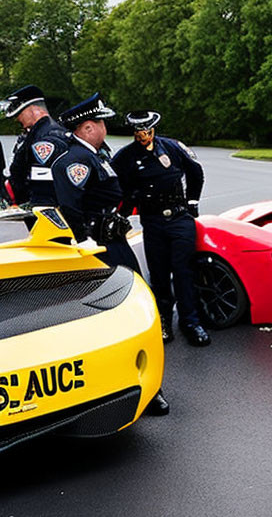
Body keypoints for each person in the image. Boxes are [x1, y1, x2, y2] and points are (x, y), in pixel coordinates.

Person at [52, 93, 169, 415]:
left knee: (133, 306)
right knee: (117, 314)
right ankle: (125, 388)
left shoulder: (97, 154)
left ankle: (146, 386)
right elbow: (69, 206)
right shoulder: (75, 160)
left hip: (114, 241)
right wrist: (84, 239)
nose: (105, 126)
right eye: (101, 122)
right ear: (88, 127)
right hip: (98, 246)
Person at [112, 111, 210, 347]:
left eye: (146, 131)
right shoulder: (125, 157)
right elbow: (116, 188)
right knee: (159, 273)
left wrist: (192, 203)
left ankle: (191, 322)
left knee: (183, 270)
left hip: (178, 217)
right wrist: (122, 212)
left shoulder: (173, 147)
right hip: (153, 220)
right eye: (138, 132)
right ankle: (164, 320)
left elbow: (195, 172)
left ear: (153, 129)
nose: (142, 135)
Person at [3, 84, 70, 208]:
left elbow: (44, 186)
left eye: (20, 113)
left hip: (43, 210)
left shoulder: (46, 139)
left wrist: (31, 206)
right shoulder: (43, 132)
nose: (17, 118)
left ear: (33, 110)